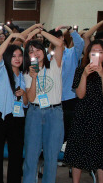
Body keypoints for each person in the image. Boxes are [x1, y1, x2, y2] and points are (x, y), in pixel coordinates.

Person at [64, 40, 103, 183]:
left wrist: (102, 74)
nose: (97, 55)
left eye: (100, 52)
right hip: (83, 116)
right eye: (93, 52)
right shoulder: (80, 70)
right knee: (78, 153)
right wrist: (84, 76)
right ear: (88, 54)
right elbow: (80, 95)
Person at [22, 30, 64, 183]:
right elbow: (31, 97)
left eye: (38, 49)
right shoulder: (27, 72)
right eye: (31, 51)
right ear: (28, 56)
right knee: (31, 156)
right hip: (35, 112)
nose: (36, 53)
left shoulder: (54, 64)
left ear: (44, 51)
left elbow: (60, 44)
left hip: (55, 113)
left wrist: (41, 31)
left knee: (51, 156)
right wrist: (33, 78)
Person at [0, 33, 28, 183]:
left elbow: (26, 103)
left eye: (19, 55)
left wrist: (24, 93)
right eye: (13, 55)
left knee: (16, 155)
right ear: (8, 57)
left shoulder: (25, 75)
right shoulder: (1, 71)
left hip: (17, 117)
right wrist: (11, 35)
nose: (17, 58)